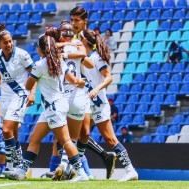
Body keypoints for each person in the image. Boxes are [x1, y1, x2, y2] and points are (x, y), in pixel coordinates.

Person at [3, 35, 88, 182]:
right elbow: (73, 80)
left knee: (66, 141)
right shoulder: (59, 60)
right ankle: (21, 172)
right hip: (54, 106)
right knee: (34, 138)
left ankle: (81, 173)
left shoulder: (40, 65)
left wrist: (29, 77)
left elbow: (29, 86)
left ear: (41, 49)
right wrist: (81, 82)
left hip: (54, 107)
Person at [80, 29, 138, 181]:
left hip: (98, 103)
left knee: (110, 139)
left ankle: (130, 170)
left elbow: (108, 77)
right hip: (88, 104)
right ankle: (76, 170)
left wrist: (96, 89)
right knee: (82, 134)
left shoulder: (96, 57)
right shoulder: (85, 57)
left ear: (85, 41)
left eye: (80, 39)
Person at [70, 6, 117, 179]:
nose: (73, 23)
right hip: (76, 90)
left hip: (84, 91)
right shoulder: (73, 37)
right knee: (78, 134)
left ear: (85, 21)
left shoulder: (85, 40)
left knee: (76, 134)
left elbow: (94, 67)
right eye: (72, 20)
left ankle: (71, 170)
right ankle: (79, 171)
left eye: (77, 20)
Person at [46, 21, 95, 181]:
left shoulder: (54, 48)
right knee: (71, 138)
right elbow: (89, 63)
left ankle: (64, 166)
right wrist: (77, 50)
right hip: (76, 95)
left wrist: (65, 53)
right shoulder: (76, 46)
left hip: (60, 96)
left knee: (64, 138)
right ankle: (71, 168)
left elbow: (86, 62)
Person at [0, 23, 36, 174]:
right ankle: (15, 167)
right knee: (12, 132)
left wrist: (33, 93)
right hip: (5, 98)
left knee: (6, 130)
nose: (9, 44)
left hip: (20, 95)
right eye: (5, 42)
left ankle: (14, 164)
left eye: (10, 41)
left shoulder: (22, 54)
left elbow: (35, 74)